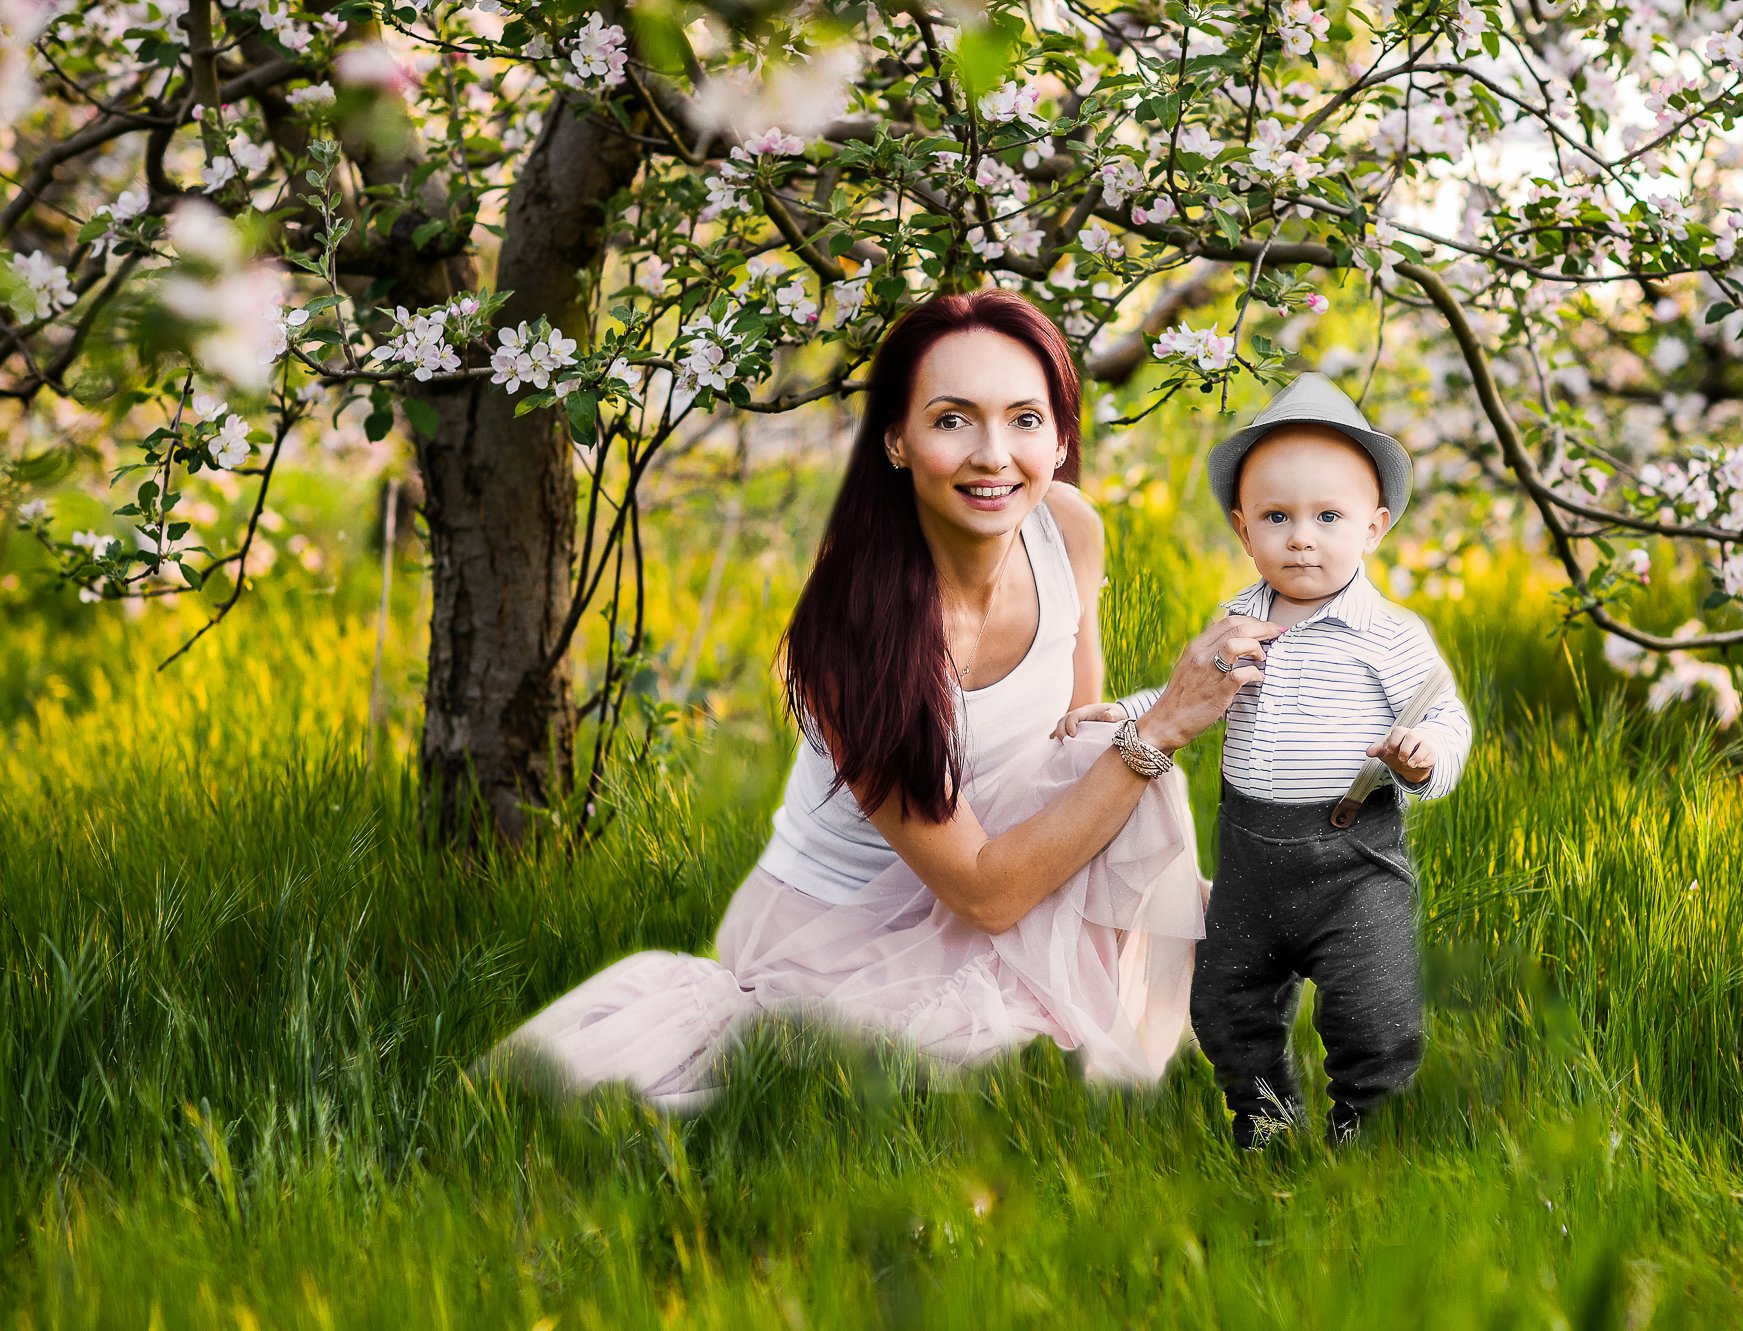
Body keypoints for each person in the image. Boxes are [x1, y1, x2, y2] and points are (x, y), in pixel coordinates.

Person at [483, 290, 1284, 1110]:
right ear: (897, 440)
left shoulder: (1067, 527)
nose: (993, 455)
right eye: (951, 420)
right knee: (901, 1080)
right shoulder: (852, 630)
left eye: (1024, 419)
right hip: (846, 925)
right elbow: (985, 891)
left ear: (1061, 435)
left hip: (1004, 857)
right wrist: (1160, 726)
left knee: (1129, 774)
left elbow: (1070, 738)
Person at [1056, 372, 1475, 1150]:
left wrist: (1423, 756)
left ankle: (1366, 1133)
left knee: (1371, 1012)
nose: (1301, 537)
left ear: (1374, 526)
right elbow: (1194, 690)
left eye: (1327, 516)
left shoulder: (1389, 635)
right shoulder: (1239, 621)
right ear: (1245, 531)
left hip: (1353, 862)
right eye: (1277, 517)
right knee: (1226, 1003)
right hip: (1250, 859)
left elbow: (1444, 717)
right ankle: (1266, 1122)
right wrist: (1130, 710)